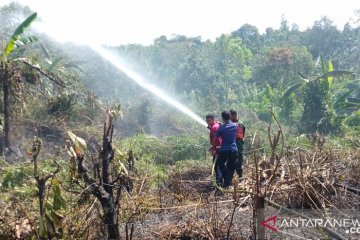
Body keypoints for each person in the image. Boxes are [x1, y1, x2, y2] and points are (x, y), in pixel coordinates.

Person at [216, 110, 237, 188]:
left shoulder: (221, 127)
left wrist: (212, 147)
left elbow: (216, 138)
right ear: (230, 116)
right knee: (231, 166)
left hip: (224, 150)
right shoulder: (235, 125)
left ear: (222, 118)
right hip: (233, 149)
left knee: (220, 164)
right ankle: (228, 181)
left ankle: (226, 180)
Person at [205, 114, 222, 186]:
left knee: (217, 166)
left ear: (213, 119)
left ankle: (219, 182)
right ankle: (221, 181)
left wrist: (214, 147)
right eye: (207, 121)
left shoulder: (214, 127)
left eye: (209, 120)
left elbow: (217, 139)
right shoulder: (217, 125)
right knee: (220, 165)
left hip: (218, 149)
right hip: (219, 148)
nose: (208, 122)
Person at [230, 110, 246, 178]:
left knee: (239, 159)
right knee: (231, 160)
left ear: (234, 115)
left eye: (231, 116)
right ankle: (231, 175)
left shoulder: (239, 124)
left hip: (238, 144)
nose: (229, 117)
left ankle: (240, 175)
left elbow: (241, 135)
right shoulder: (231, 123)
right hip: (232, 145)